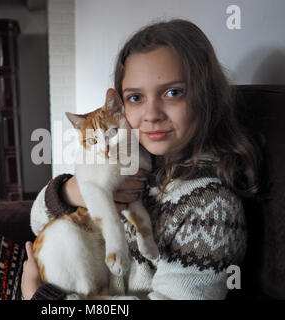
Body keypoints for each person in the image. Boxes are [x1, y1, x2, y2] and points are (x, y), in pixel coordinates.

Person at [21, 19, 261, 300]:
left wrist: (41, 298)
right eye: (135, 97)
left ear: (206, 96)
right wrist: (72, 191)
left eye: (173, 93)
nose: (151, 114)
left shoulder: (210, 208)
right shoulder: (132, 158)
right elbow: (37, 221)